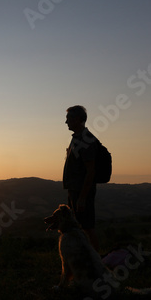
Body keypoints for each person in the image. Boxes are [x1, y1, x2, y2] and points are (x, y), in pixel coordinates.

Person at [63, 105, 100, 251]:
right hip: (75, 190)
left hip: (81, 191)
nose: (66, 122)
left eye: (68, 119)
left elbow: (91, 171)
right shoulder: (77, 139)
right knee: (79, 226)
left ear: (77, 119)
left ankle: (97, 262)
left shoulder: (86, 140)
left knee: (87, 227)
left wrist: (83, 197)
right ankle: (85, 258)